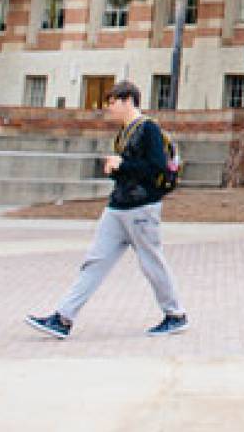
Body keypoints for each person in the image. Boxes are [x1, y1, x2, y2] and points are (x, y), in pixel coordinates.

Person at [26, 81, 186, 339]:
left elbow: (156, 167)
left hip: (142, 209)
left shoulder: (148, 129)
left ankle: (175, 314)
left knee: (151, 263)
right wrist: (117, 169)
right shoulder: (124, 132)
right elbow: (132, 170)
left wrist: (122, 165)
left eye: (112, 102)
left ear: (128, 100)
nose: (109, 108)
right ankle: (63, 318)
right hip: (118, 207)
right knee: (95, 262)